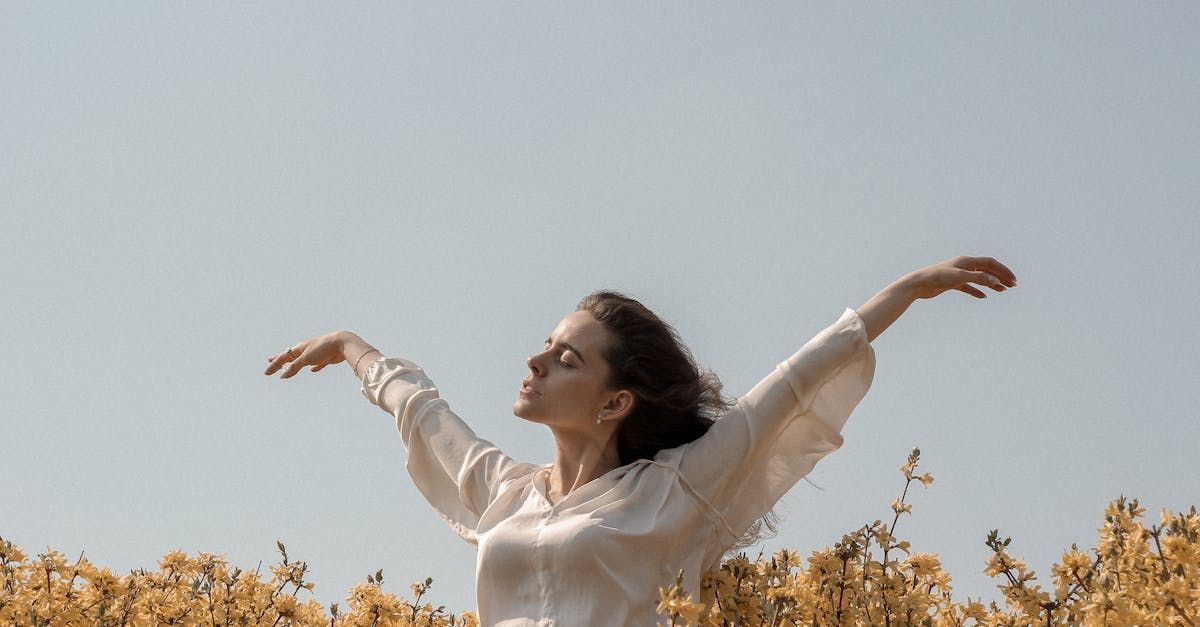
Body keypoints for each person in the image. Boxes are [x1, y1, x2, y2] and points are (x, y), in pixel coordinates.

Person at [264, 255, 1017, 626]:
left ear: (616, 400)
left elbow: (788, 387)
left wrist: (908, 290)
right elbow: (424, 415)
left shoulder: (673, 492)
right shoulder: (508, 492)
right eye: (546, 343)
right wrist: (354, 346)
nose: (535, 360)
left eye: (567, 358)